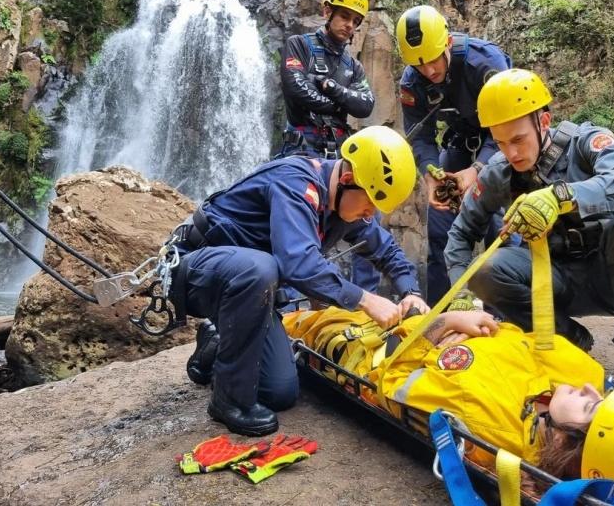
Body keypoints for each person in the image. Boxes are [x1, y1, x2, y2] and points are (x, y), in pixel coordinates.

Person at [168, 126, 430, 436]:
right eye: (369, 203)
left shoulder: (347, 206)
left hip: (246, 292)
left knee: (280, 391)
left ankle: (218, 338)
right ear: (347, 179)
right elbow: (298, 264)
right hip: (197, 266)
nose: (369, 214)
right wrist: (366, 299)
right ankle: (229, 402)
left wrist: (410, 292)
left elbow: (385, 249)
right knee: (261, 267)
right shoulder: (295, 182)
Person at [283, 307, 614, 492]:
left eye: (592, 406)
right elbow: (521, 338)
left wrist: (443, 323)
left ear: (572, 445)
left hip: (371, 348)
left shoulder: (490, 426)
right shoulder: (572, 387)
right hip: (430, 324)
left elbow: (393, 381)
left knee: (309, 321)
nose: (593, 390)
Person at [444, 68, 614, 393]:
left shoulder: (586, 143)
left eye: (518, 140)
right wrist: (461, 295)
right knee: (484, 270)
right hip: (553, 280)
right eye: (501, 143)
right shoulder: (498, 173)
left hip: (613, 276)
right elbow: (461, 234)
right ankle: (567, 338)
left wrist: (563, 196)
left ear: (544, 122)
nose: (512, 153)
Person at [396, 5, 512, 306]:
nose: (429, 71)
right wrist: (432, 174)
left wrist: (478, 170)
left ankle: (502, 312)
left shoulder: (485, 62)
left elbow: (511, 125)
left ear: (447, 43)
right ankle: (441, 313)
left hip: (500, 143)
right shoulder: (411, 82)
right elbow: (420, 138)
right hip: (458, 143)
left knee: (497, 226)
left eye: (433, 60)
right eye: (419, 65)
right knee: (439, 227)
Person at [278, 0, 380, 292]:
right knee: (296, 228)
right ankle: (288, 303)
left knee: (364, 218)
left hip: (337, 156)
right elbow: (295, 86)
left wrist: (330, 87)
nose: (349, 25)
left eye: (355, 21)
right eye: (344, 17)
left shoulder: (354, 66)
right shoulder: (300, 45)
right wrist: (339, 100)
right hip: (299, 153)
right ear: (327, 11)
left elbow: (365, 105)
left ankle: (366, 297)